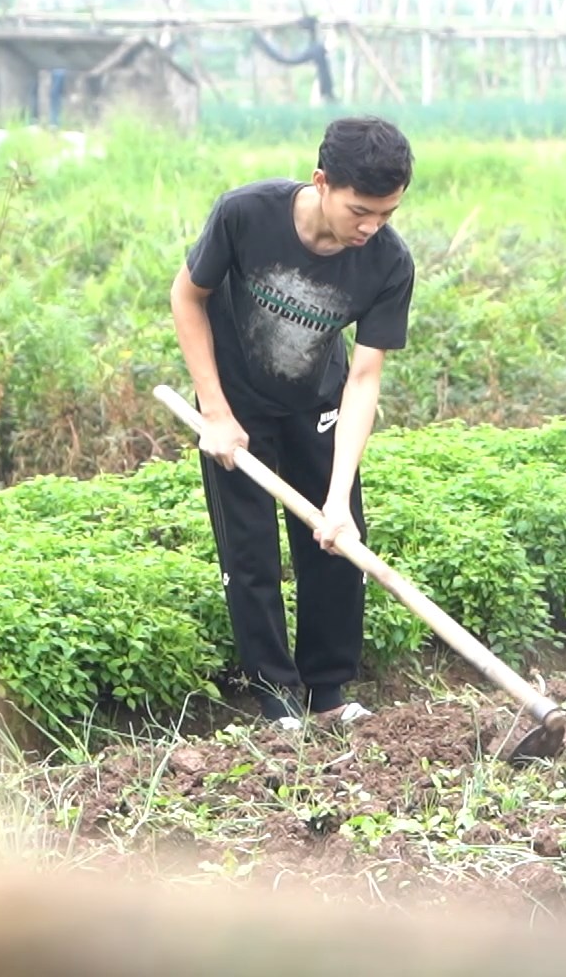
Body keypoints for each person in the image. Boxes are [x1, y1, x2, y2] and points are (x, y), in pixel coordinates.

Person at [169, 116, 416, 730]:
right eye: (361, 210)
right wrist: (215, 411)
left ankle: (328, 695)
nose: (371, 226)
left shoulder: (387, 263)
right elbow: (187, 295)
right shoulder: (246, 214)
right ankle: (278, 702)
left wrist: (336, 498)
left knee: (338, 541)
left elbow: (364, 377)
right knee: (249, 553)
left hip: (320, 400)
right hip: (238, 406)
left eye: (386, 214)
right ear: (322, 182)